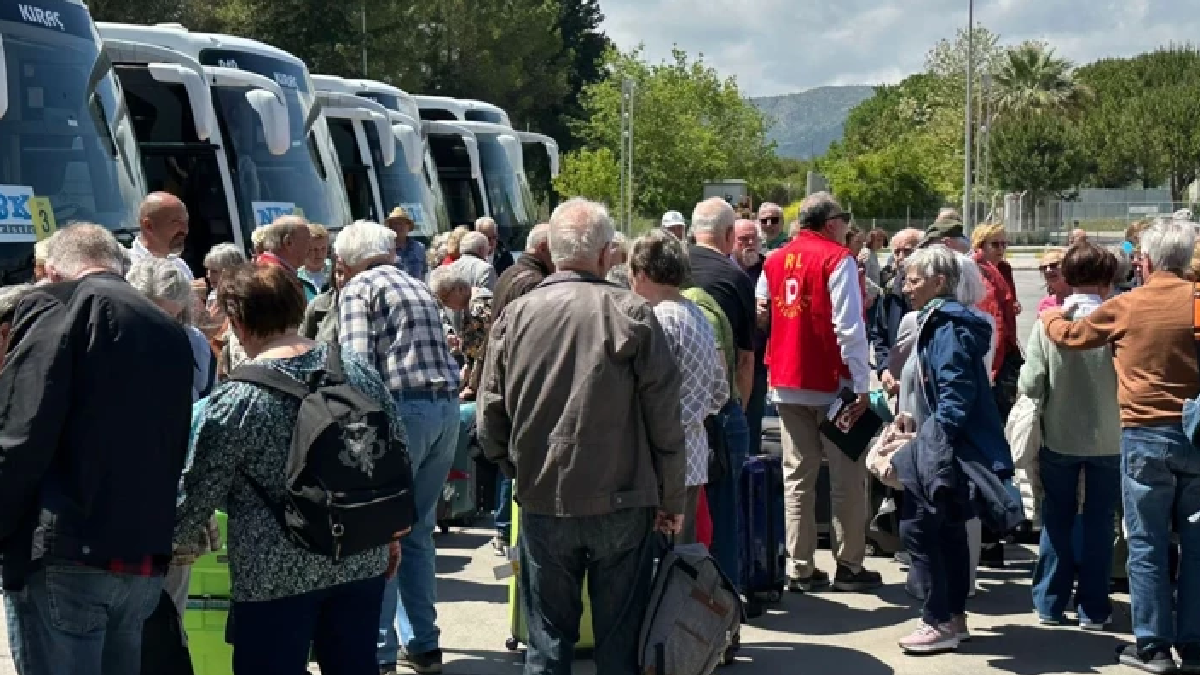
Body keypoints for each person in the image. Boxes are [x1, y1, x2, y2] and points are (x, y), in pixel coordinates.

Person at [476, 198, 686, 675]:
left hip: (544, 496)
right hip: (623, 498)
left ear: (550, 247)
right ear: (605, 253)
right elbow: (665, 418)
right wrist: (672, 497)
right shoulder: (632, 312)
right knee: (619, 637)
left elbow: (490, 416)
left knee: (548, 639)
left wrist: (518, 470)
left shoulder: (517, 316)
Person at [177, 263, 406, 674]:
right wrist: (390, 534)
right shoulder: (354, 369)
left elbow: (200, 488)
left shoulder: (237, 399)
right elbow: (393, 453)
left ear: (239, 322)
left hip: (273, 573)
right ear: (298, 308)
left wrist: (172, 542)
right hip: (357, 551)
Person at [0, 223, 193, 675]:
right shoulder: (166, 326)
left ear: (49, 271)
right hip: (140, 556)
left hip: (66, 550)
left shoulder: (56, 305)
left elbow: (22, 432)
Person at [1041, 216, 1200, 673]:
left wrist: (1051, 312)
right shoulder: (1195, 302)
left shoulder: (1130, 304)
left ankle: (1152, 645)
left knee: (1146, 544)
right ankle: (1193, 642)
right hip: (1195, 434)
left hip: (1145, 435)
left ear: (1145, 262)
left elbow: (1072, 337)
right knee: (1195, 545)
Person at [334, 220, 461, 674]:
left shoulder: (359, 289)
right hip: (443, 409)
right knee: (418, 531)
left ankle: (380, 651)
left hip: (400, 410)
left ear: (347, 260)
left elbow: (356, 370)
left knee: (379, 533)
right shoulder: (417, 284)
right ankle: (423, 642)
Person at [893, 246, 1017, 653]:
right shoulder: (944, 321)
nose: (906, 286)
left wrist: (935, 440)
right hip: (944, 441)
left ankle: (939, 619)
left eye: (914, 279)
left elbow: (955, 393)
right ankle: (951, 618)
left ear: (939, 282)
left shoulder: (947, 325)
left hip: (945, 447)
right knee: (945, 532)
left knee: (923, 531)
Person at [756, 191, 881, 593]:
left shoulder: (774, 260)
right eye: (844, 218)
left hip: (787, 380)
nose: (847, 225)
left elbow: (763, 307)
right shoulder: (836, 258)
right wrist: (862, 385)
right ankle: (848, 563)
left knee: (798, 475)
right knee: (846, 476)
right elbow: (849, 328)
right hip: (833, 383)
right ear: (831, 223)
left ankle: (801, 566)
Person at [1019, 242, 1122, 629]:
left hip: (1059, 435)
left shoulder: (1050, 325)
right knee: (1099, 522)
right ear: (1107, 280)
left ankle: (1049, 601)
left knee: (1057, 519)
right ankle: (1094, 607)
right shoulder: (1118, 324)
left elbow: (1031, 384)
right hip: (1110, 438)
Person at [630, 229, 729, 543]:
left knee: (659, 563)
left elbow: (648, 394)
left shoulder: (657, 319)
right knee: (683, 560)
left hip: (662, 459)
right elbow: (720, 390)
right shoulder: (697, 313)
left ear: (642, 274)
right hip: (695, 452)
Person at [688, 197, 755, 588]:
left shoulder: (670, 270)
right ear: (730, 235)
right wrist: (738, 411)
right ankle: (723, 603)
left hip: (672, 414)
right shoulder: (734, 279)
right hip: (721, 410)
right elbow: (745, 362)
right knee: (724, 514)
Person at [478, 223, 553, 554]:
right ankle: (506, 529)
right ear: (541, 249)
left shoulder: (510, 273)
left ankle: (502, 527)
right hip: (514, 380)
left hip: (500, 374)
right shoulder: (533, 283)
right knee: (515, 457)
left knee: (508, 454)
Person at [429, 264, 493, 401]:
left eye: (445, 298)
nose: (445, 305)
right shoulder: (474, 301)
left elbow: (483, 354)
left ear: (459, 289)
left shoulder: (477, 309)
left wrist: (471, 387)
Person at [873, 228, 923, 396]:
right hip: (898, 383)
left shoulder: (932, 291)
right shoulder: (889, 290)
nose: (901, 257)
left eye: (908, 251)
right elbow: (880, 334)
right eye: (897, 252)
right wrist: (884, 369)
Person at [129, 191, 193, 281]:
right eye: (176, 222)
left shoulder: (180, 266)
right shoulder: (126, 266)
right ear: (149, 226)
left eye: (186, 222)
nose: (185, 230)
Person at [257, 216, 317, 300]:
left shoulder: (263, 267)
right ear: (288, 242)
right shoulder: (275, 278)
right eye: (307, 241)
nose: (311, 247)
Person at [387, 206, 428, 280]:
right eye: (395, 223)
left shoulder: (420, 247)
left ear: (409, 227)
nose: (399, 227)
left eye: (403, 223)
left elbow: (423, 273)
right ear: (390, 227)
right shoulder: (386, 249)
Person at [298, 222, 331, 292]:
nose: (319, 254)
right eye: (314, 249)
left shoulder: (336, 270)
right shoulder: (295, 276)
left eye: (323, 248)